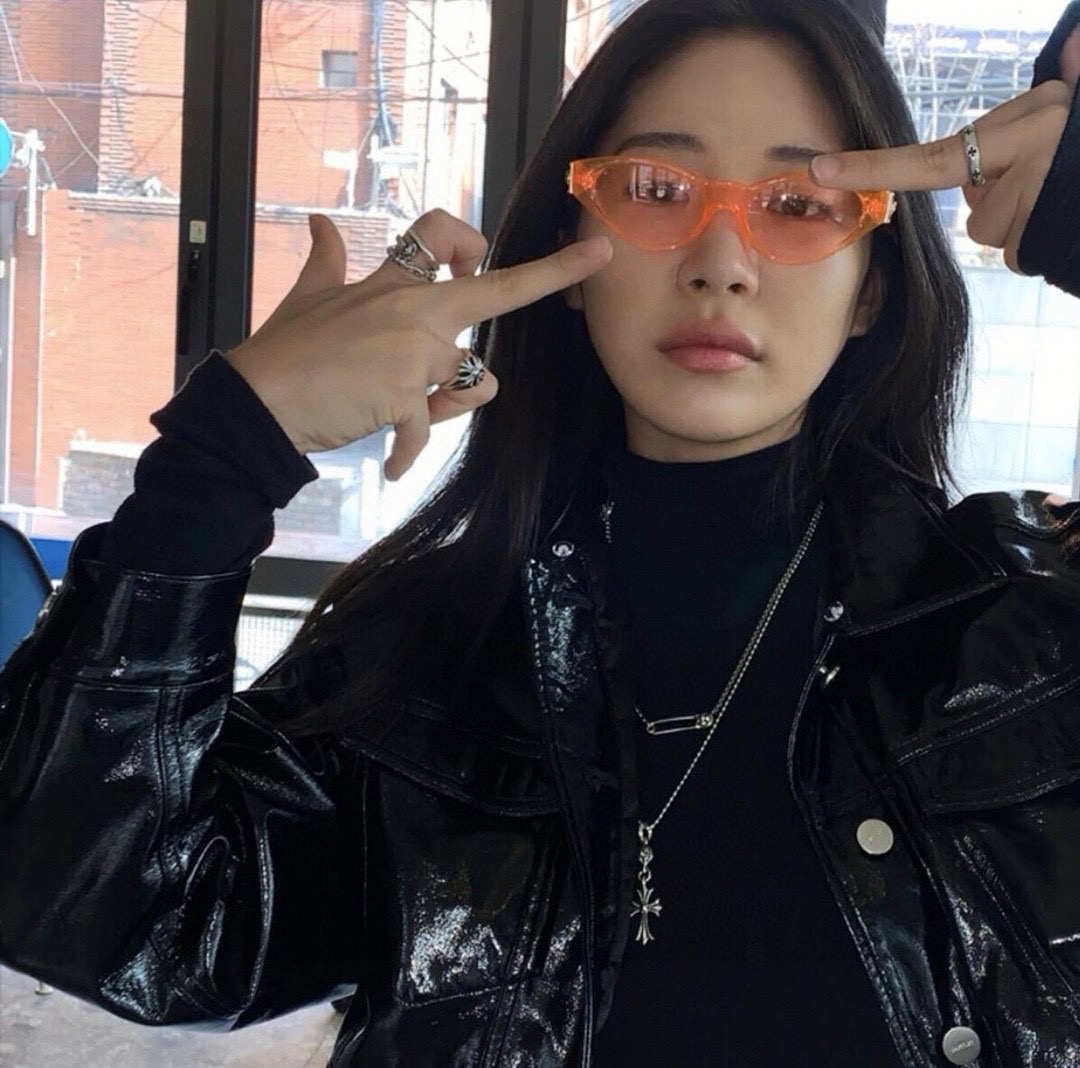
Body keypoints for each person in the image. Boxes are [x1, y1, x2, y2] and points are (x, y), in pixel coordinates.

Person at [2, 0, 1080, 1063]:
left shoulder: (1031, 631)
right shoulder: (421, 663)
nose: (721, 261)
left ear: (871, 289)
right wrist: (229, 448)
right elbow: (100, 906)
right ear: (570, 252)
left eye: (797, 203)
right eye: (656, 189)